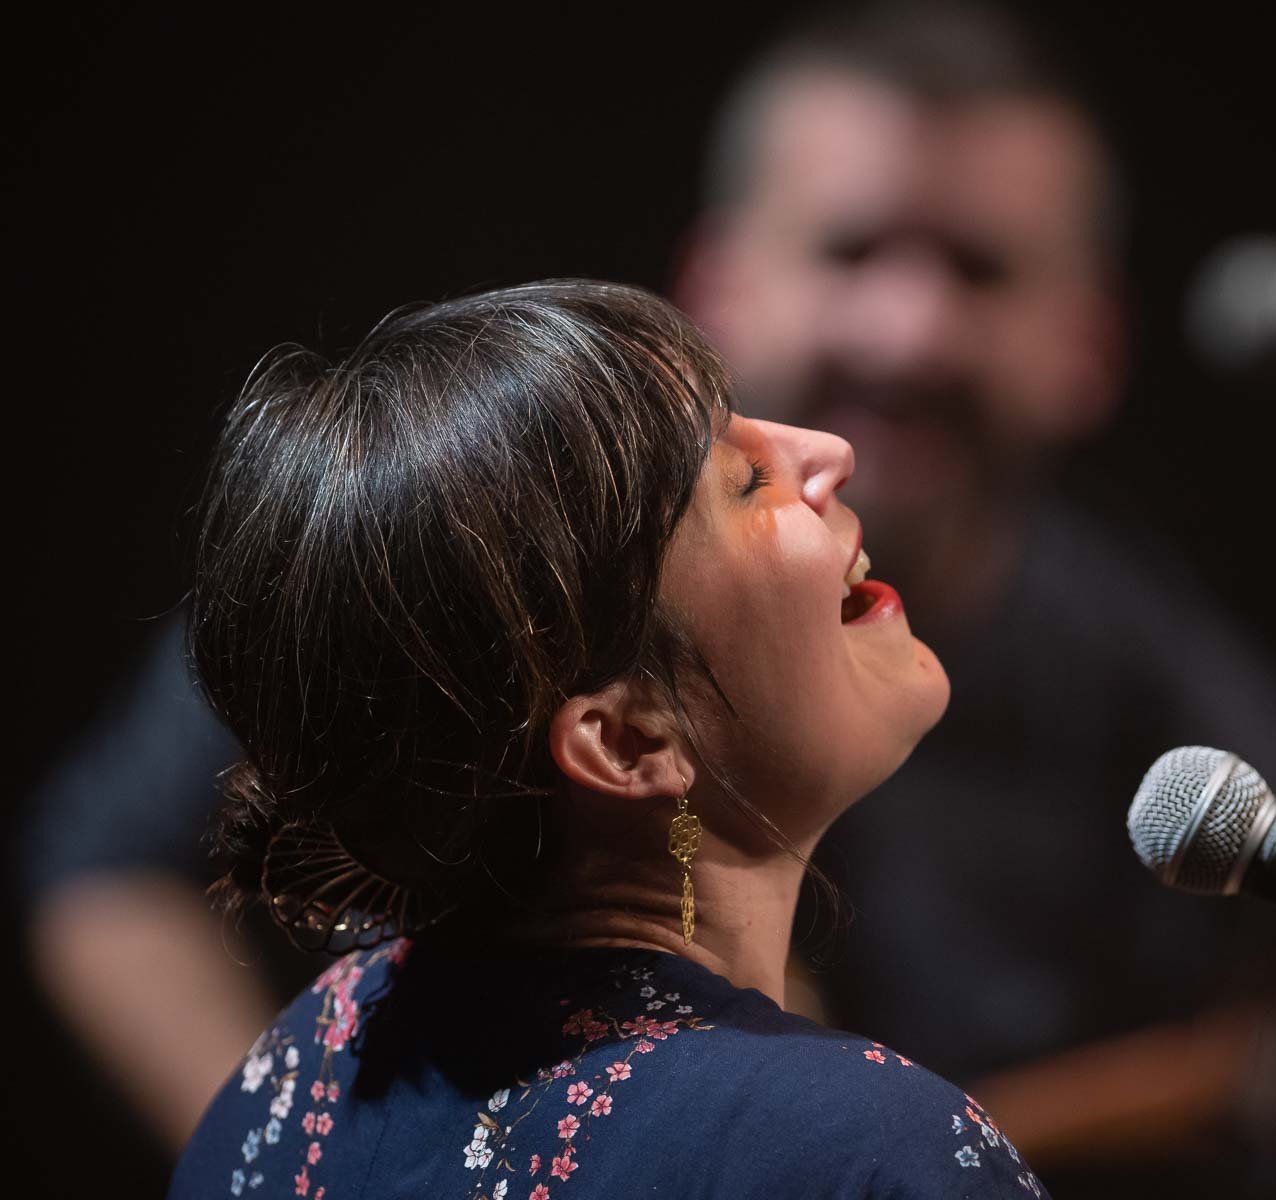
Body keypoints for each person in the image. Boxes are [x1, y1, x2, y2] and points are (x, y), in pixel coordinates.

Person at [171, 280, 1050, 1199]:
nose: (827, 450)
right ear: (627, 742)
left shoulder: (294, 1074)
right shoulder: (862, 1151)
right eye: (745, 484)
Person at [674, 5, 1276, 1192]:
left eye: (979, 271)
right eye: (851, 251)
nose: (909, 332)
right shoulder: (558, 602)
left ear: (1092, 343)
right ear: (713, 284)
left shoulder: (1206, 725)